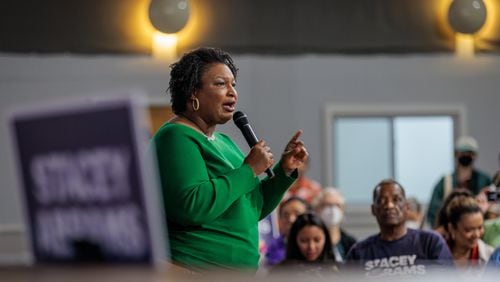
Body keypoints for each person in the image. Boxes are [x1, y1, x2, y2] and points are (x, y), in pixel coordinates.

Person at [152, 47, 309, 271]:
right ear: (192, 92)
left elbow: (251, 206)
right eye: (220, 83)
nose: (232, 92)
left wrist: (283, 172)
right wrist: (248, 170)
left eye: (233, 84)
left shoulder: (225, 142)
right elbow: (192, 206)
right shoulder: (176, 136)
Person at [346, 179, 453, 277]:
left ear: (407, 207)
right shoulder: (359, 253)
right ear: (373, 209)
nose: (390, 206)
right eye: (382, 201)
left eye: (396, 200)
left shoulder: (430, 242)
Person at [427, 136, 491, 227]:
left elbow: (494, 205)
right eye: (463, 152)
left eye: (469, 153)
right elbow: (433, 211)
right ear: (456, 154)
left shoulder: (484, 181)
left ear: (475, 155)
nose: (466, 155)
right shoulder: (445, 182)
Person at [272, 213, 337, 276]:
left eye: (317, 240)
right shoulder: (279, 273)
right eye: (304, 241)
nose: (311, 247)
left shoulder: (337, 271)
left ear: (326, 239)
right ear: (294, 240)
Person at [445, 196, 494, 271]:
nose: (476, 234)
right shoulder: (436, 254)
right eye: (469, 230)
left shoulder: (490, 256)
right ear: (451, 228)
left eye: (480, 227)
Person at [313, 187, 356, 263]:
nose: (333, 210)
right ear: (317, 209)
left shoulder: (351, 243)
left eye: (337, 205)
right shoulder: (311, 242)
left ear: (342, 210)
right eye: (327, 205)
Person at [265, 196, 311, 266]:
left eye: (297, 214)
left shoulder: (317, 246)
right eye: (286, 215)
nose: (291, 219)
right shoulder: (272, 249)